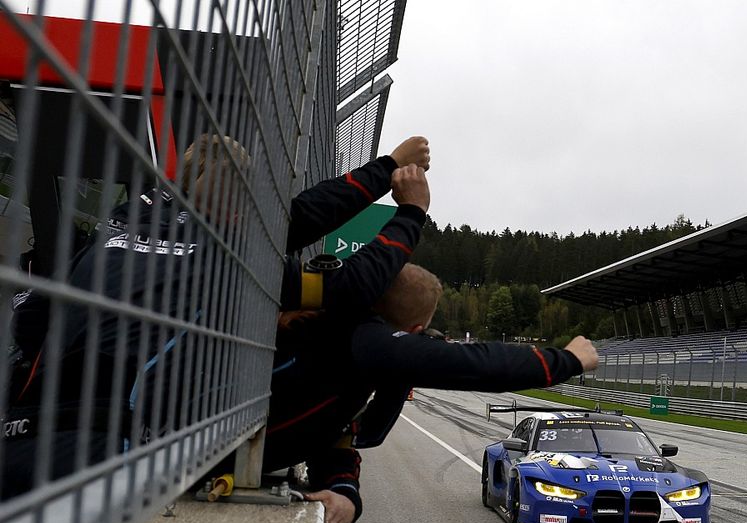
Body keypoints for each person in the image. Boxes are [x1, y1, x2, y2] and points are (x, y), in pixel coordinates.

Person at [1, 133, 432, 499]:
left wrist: (387, 165)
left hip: (15, 430)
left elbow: (30, 321)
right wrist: (411, 212)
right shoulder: (229, 258)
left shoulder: (115, 228)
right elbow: (351, 286)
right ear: (231, 198)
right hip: (98, 456)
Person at [263, 263, 599, 523]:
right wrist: (566, 360)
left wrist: (346, 493)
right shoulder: (359, 340)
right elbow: (470, 364)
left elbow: (344, 436)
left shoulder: (338, 343)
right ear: (414, 332)